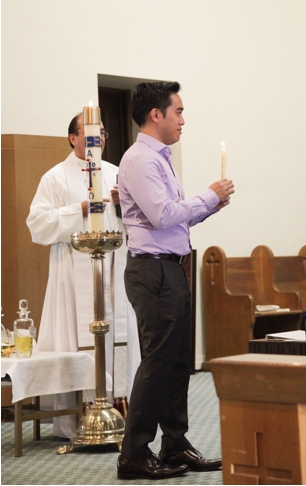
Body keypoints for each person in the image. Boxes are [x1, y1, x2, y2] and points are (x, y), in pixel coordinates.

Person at [117, 81, 234, 480]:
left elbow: (175, 219)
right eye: (178, 111)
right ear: (157, 114)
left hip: (171, 266)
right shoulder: (139, 159)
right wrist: (207, 195)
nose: (183, 119)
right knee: (158, 361)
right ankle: (133, 453)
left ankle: (174, 444)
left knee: (178, 361)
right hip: (153, 271)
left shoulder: (160, 159)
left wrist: (210, 206)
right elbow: (162, 215)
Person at [27, 112, 141, 438]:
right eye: (91, 132)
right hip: (72, 270)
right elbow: (37, 224)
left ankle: (120, 412)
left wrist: (121, 206)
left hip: (112, 270)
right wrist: (77, 210)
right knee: (78, 335)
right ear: (73, 138)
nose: (99, 138)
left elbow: (136, 221)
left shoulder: (116, 173)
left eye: (102, 132)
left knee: (116, 333)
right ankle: (76, 419)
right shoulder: (55, 178)